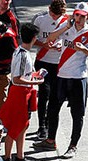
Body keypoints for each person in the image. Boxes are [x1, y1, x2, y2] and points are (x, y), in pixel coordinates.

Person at [32, 2, 88, 159]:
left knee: (77, 114)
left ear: (87, 17)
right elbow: (50, 38)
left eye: (82, 16)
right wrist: (65, 27)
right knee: (53, 109)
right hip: (61, 75)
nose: (78, 18)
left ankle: (73, 145)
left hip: (78, 78)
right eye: (76, 15)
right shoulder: (66, 27)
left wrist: (84, 50)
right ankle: (50, 140)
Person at [0, 23, 44, 161]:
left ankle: (19, 155)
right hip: (20, 94)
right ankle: (7, 158)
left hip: (23, 92)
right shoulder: (23, 54)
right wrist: (36, 82)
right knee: (15, 126)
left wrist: (34, 76)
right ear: (34, 38)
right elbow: (16, 79)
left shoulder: (20, 51)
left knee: (23, 125)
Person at [31, 0, 67, 141]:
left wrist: (61, 45)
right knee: (44, 93)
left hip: (59, 64)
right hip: (43, 61)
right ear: (48, 9)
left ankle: (48, 121)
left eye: (57, 15)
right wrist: (45, 45)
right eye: (52, 14)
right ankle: (42, 127)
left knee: (55, 96)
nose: (54, 17)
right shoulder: (40, 19)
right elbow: (31, 39)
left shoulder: (67, 22)